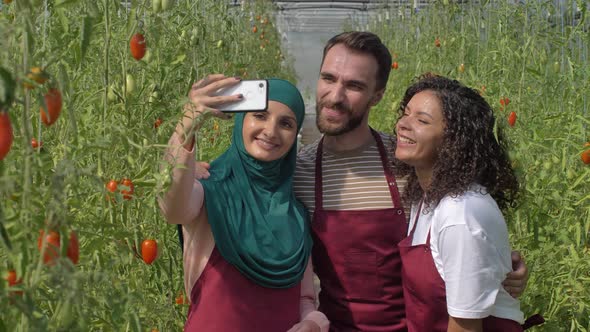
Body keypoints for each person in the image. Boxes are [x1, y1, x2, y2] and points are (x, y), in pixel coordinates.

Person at [192, 32, 529, 331]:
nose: (335, 95)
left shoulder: (407, 165)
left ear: (377, 95)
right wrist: (205, 172)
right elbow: (246, 225)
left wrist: (499, 267)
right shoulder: (296, 172)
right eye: (328, 78)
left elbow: (460, 230)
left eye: (354, 86)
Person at [159, 77, 329, 331]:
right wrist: (186, 126)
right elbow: (172, 207)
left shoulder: (296, 213)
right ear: (241, 121)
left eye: (286, 123)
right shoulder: (210, 188)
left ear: (295, 136)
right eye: (259, 116)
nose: (271, 131)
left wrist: (312, 322)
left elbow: (304, 297)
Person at [393, 73, 525, 331]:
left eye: (422, 120)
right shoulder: (426, 196)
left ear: (453, 141)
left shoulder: (460, 212)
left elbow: (465, 326)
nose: (403, 124)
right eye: (406, 113)